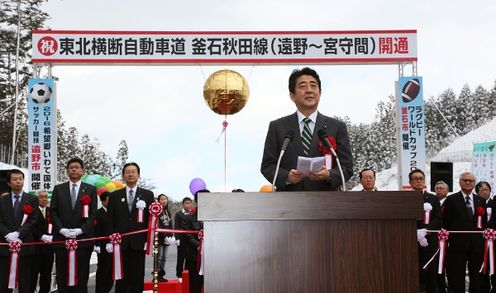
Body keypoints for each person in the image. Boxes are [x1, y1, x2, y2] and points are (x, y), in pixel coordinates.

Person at [261, 67, 353, 191]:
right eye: (303, 86)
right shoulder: (277, 127)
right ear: (292, 95)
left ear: (320, 93)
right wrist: (287, 177)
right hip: (289, 202)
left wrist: (329, 175)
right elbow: (268, 166)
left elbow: (346, 167)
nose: (309, 90)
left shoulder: (337, 127)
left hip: (327, 202)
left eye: (313, 86)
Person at [50, 158, 97, 293]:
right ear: (67, 171)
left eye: (77, 167)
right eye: (71, 167)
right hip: (62, 240)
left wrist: (81, 230)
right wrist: (61, 229)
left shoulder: (91, 189)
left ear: (82, 171)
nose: (74, 169)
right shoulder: (59, 189)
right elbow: (53, 211)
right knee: (62, 274)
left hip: (83, 240)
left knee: (82, 274)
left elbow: (93, 214)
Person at [106, 162, 154, 293]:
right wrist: (110, 239)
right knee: (121, 278)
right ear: (123, 175)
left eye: (133, 171)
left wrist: (148, 240)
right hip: (120, 243)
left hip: (139, 243)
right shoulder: (115, 195)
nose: (130, 174)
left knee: (137, 277)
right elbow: (110, 219)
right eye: (127, 172)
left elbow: (152, 219)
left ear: (138, 175)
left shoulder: (148, 194)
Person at [443, 172, 487, 293]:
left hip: (476, 245)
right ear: (460, 182)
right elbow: (446, 221)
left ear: (474, 183)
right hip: (458, 244)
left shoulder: (480, 200)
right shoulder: (451, 199)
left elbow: (483, 223)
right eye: (465, 180)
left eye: (471, 181)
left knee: (476, 276)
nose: (468, 183)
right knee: (457, 276)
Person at [0, 169, 38, 293]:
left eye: (20, 179)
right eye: (14, 179)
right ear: (9, 183)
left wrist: (18, 234)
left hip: (24, 245)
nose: (18, 182)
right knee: (4, 282)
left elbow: (32, 220)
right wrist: (8, 234)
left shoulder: (32, 199)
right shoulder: (2, 200)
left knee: (25, 281)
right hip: (5, 247)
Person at [409, 169, 442, 293]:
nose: (418, 181)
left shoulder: (433, 198)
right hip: (410, 240)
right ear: (410, 182)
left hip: (429, 240)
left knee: (430, 271)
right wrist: (415, 232)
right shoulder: (405, 197)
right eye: (415, 179)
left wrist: (426, 230)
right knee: (413, 269)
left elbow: (438, 218)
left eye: (421, 178)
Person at [183, 189, 208, 293]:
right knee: (195, 285)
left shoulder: (215, 217)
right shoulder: (189, 217)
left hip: (212, 257)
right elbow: (187, 235)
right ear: (197, 201)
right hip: (194, 257)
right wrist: (199, 245)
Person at [31, 190, 55, 293]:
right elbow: (30, 226)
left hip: (49, 249)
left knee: (46, 275)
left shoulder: (51, 211)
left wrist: (51, 236)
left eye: (46, 197)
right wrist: (41, 236)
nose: (44, 199)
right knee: (33, 275)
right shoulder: (32, 211)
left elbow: (55, 225)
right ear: (37, 198)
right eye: (41, 197)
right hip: (35, 249)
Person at [476, 181, 494, 293]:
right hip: (479, 240)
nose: (484, 192)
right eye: (481, 190)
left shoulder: (494, 203)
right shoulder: (476, 203)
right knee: (481, 264)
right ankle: (483, 288)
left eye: (486, 189)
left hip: (493, 240)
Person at [94, 191, 113, 293]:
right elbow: (96, 230)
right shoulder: (98, 213)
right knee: (103, 268)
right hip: (102, 246)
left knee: (111, 269)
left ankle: (108, 288)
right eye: (109, 200)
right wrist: (96, 244)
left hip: (113, 245)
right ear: (103, 200)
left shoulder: (113, 212)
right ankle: (100, 290)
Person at [433, 180, 450, 293]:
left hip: (447, 239)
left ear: (447, 191)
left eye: (441, 188)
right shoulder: (432, 201)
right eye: (437, 188)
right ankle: (437, 285)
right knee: (435, 263)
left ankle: (446, 286)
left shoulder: (451, 202)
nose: (439, 190)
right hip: (433, 239)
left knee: (447, 264)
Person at [156, 194, 174, 282]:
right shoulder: (157, 211)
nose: (164, 201)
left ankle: (161, 274)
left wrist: (171, 236)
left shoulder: (168, 211)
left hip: (168, 238)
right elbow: (158, 225)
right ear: (158, 201)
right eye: (162, 199)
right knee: (159, 257)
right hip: (160, 238)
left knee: (164, 257)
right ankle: (156, 275)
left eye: (165, 199)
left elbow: (170, 225)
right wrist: (165, 237)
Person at [175, 197, 193, 280]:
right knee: (180, 258)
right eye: (186, 203)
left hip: (190, 239)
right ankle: (179, 274)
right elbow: (176, 226)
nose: (188, 205)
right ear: (183, 204)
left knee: (189, 258)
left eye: (189, 203)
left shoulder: (192, 214)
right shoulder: (178, 214)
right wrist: (177, 238)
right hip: (181, 239)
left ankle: (187, 274)